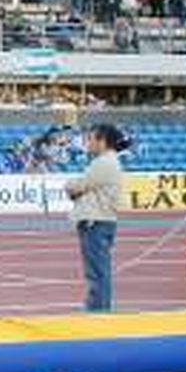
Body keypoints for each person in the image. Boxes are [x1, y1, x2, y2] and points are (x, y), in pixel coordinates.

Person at [66, 124, 125, 312]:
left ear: (102, 142)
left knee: (97, 272)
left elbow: (78, 186)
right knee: (98, 271)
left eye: (91, 139)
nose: (88, 143)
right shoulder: (106, 162)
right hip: (99, 221)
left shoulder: (104, 163)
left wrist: (71, 186)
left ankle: (99, 311)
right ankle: (97, 308)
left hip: (96, 223)